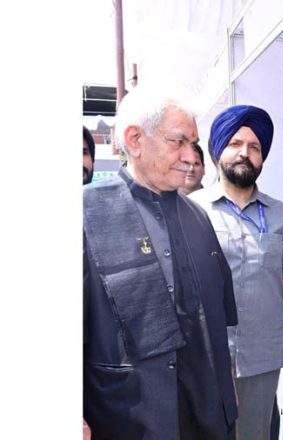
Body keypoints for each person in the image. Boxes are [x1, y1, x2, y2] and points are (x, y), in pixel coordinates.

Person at [83, 86, 239, 439]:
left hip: (204, 414)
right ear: (135, 140)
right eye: (177, 141)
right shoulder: (87, 213)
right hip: (127, 416)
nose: (189, 155)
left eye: (193, 144)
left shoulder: (198, 218)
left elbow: (217, 321)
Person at [189, 104, 283, 440]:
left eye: (254, 147)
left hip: (263, 351)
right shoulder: (192, 210)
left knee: (254, 433)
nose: (245, 153)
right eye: (235, 144)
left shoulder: (280, 213)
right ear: (218, 151)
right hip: (206, 351)